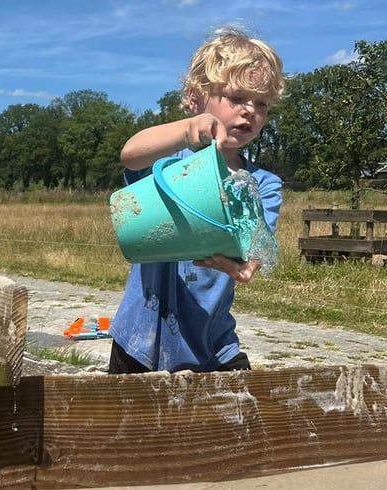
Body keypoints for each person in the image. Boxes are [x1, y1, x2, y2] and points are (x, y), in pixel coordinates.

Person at [109, 28, 285, 374]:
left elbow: (258, 246)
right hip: (139, 338)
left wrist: (248, 264)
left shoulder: (262, 184)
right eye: (236, 98)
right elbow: (130, 155)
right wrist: (189, 130)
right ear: (194, 98)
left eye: (260, 104)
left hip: (213, 344)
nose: (249, 111)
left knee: (236, 422)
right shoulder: (168, 164)